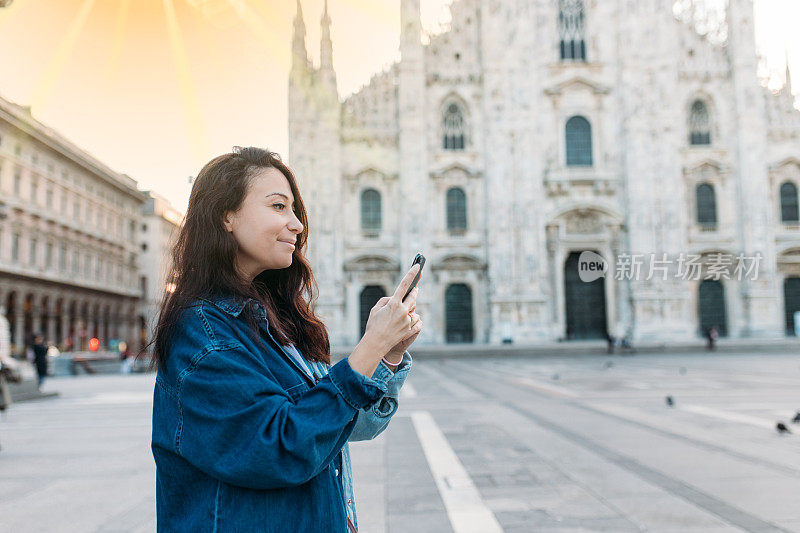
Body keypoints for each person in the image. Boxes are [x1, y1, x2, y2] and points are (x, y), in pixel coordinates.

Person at [149, 147, 422, 532]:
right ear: (226, 216)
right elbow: (280, 448)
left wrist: (389, 356)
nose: (296, 224)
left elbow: (340, 424)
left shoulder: (275, 321)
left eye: (294, 210)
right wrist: (370, 347)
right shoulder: (204, 332)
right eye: (278, 207)